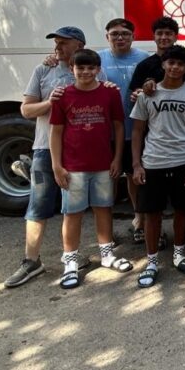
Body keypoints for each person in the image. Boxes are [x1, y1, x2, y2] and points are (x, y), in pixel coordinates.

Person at [5, 26, 106, 289]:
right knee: (38, 204)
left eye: (63, 43)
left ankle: (73, 257)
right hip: (44, 149)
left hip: (79, 151)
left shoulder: (91, 70)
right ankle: (31, 261)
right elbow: (26, 110)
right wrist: (51, 102)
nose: (57, 48)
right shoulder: (43, 70)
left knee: (73, 209)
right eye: (56, 44)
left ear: (79, 46)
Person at [48, 48, 129, 289]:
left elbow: (118, 127)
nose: (85, 72)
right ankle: (70, 262)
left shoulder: (109, 94)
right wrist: (57, 165)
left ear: (98, 69)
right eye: (80, 68)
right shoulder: (63, 95)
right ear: (72, 69)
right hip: (73, 167)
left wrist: (117, 159)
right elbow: (56, 132)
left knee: (104, 208)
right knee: (72, 214)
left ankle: (107, 255)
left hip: (103, 164)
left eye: (90, 68)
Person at [130, 45, 185, 288]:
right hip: (153, 162)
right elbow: (138, 131)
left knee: (182, 210)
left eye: (181, 64)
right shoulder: (147, 95)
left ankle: (179, 254)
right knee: (152, 214)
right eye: (171, 63)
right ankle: (151, 261)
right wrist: (136, 165)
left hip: (184, 161)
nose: (175, 68)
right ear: (163, 64)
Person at [96, 18, 148, 244]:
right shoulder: (97, 59)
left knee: (135, 177)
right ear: (107, 36)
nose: (120, 38)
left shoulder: (144, 58)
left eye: (125, 34)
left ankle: (139, 220)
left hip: (137, 130)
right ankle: (105, 233)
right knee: (106, 179)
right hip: (105, 133)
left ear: (133, 36)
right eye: (115, 34)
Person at [128, 17, 185, 93]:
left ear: (176, 37)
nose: (164, 37)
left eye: (168, 34)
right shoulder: (144, 65)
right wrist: (139, 93)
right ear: (154, 37)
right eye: (159, 33)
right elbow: (136, 91)